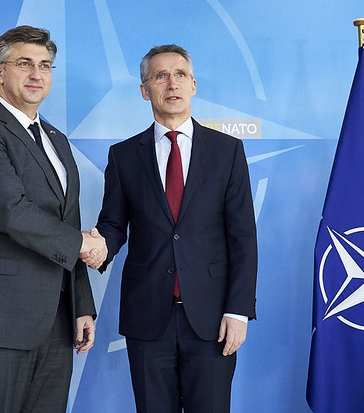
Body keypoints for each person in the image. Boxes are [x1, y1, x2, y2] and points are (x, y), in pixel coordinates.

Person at [0, 25, 106, 413]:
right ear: (0, 71)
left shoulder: (56, 138)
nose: (36, 74)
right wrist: (84, 243)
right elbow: (12, 211)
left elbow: (67, 218)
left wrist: (81, 304)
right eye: (24, 63)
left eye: (45, 65)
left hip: (55, 323)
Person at [92, 44, 258, 412]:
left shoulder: (227, 150)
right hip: (149, 317)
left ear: (194, 85)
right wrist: (100, 245)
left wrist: (238, 310)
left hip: (213, 318)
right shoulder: (123, 156)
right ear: (144, 90)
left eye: (180, 75)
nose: (172, 84)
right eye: (160, 76)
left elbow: (243, 237)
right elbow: (114, 224)